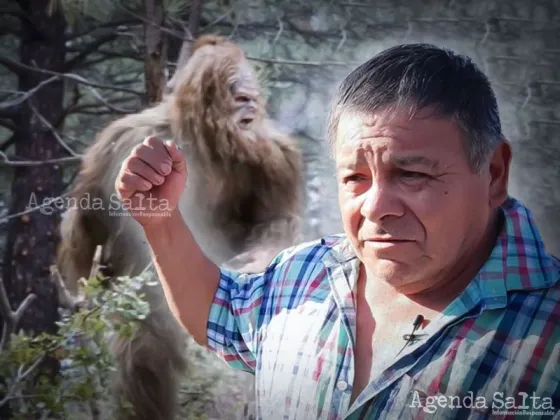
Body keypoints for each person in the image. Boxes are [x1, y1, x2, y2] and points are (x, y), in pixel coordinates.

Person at [115, 44, 560, 419]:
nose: (376, 207)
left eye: (411, 175)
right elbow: (219, 314)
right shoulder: (301, 275)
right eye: (355, 178)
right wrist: (161, 220)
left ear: (495, 174)